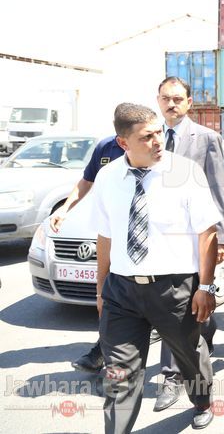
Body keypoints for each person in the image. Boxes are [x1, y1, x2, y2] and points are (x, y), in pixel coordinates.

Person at [92, 103, 220, 432]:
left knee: (189, 356)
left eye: (159, 132)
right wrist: (101, 288)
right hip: (121, 291)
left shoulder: (186, 172)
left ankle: (202, 400)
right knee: (119, 376)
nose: (158, 141)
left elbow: (207, 232)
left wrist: (205, 287)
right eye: (147, 137)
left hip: (174, 289)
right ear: (123, 143)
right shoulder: (107, 177)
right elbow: (105, 236)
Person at [155, 76, 224, 412]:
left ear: (189, 103)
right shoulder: (150, 137)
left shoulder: (206, 138)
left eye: (177, 99)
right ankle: (175, 369)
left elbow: (218, 188)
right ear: (158, 101)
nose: (171, 104)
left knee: (187, 307)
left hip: (195, 237)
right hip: (160, 242)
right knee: (172, 308)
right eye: (165, 98)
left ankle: (178, 372)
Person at [51, 135, 125, 373]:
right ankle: (102, 352)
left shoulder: (152, 145)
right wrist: (64, 209)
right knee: (112, 298)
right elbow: (86, 181)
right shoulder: (105, 147)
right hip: (110, 236)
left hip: (143, 239)